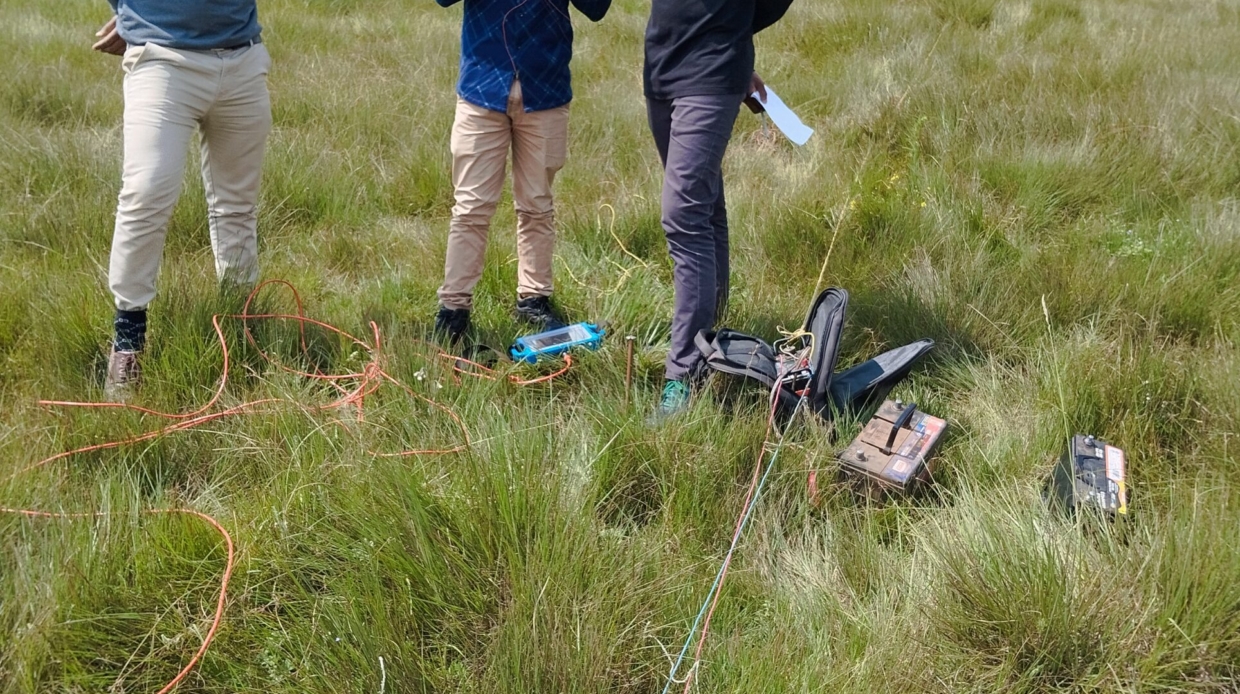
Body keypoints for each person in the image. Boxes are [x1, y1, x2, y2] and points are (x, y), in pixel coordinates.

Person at [93, 1, 273, 400]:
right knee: (146, 195)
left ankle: (239, 328)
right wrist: (129, 14)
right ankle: (128, 341)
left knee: (238, 204)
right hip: (161, 58)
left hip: (242, 56)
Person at [644, 0, 794, 419]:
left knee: (683, 215)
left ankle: (683, 375)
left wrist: (730, 31)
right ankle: (714, 343)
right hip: (661, 63)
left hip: (714, 69)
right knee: (704, 208)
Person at [432, 0, 611, 345]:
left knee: (536, 204)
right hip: (482, 89)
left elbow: (596, 8)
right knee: (470, 207)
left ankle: (534, 300)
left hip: (545, 88)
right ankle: (453, 310)